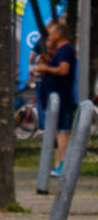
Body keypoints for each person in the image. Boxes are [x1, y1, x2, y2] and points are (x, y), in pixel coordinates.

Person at [31, 18, 77, 176]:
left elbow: (64, 70)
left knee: (62, 130)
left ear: (59, 34)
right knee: (58, 130)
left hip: (61, 96)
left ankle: (63, 164)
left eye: (52, 33)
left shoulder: (65, 50)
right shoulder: (59, 50)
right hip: (54, 96)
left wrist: (46, 68)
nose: (49, 36)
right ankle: (59, 164)